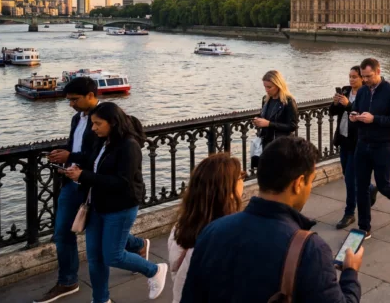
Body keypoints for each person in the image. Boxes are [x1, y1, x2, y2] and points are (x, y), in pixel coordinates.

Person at [181, 137, 362, 302]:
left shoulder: (212, 231)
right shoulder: (311, 250)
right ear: (298, 183)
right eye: (310, 181)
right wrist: (350, 273)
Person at [37, 78, 148, 303]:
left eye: (74, 100)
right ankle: (69, 281)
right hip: (74, 180)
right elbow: (77, 146)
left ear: (90, 95)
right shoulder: (77, 118)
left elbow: (98, 155)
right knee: (63, 232)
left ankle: (139, 253)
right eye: (69, 100)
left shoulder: (107, 120)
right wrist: (64, 154)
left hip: (93, 184)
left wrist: (72, 157)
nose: (71, 104)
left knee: (101, 246)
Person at [61, 103, 167, 302]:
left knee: (113, 255)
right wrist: (75, 166)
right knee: (94, 258)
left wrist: (83, 176)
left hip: (120, 207)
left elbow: (122, 182)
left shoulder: (129, 146)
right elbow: (93, 163)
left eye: (97, 124)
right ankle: (100, 300)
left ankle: (154, 270)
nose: (93, 128)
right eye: (92, 124)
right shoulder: (102, 141)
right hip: (96, 205)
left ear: (113, 122)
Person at [168, 154, 244, 303]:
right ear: (226, 190)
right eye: (240, 177)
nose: (242, 182)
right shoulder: (224, 238)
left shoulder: (182, 227)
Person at [352, 57, 390, 238]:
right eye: (363, 76)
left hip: (383, 145)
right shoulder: (362, 91)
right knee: (361, 186)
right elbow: (356, 108)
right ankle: (364, 227)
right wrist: (354, 116)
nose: (365, 80)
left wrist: (374, 119)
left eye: (368, 76)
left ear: (378, 72)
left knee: (383, 184)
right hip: (362, 143)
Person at [330, 66, 378, 229]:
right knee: (347, 174)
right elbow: (332, 112)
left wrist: (348, 104)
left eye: (354, 77)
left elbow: (362, 114)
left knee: (350, 180)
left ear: (362, 78)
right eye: (350, 76)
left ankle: (349, 213)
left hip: (357, 141)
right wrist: (335, 103)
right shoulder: (345, 90)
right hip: (343, 139)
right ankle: (369, 188)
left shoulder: (366, 94)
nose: (351, 80)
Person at [254, 70, 300, 151]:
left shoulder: (288, 101)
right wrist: (258, 120)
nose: (266, 90)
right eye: (265, 87)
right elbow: (265, 117)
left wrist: (269, 124)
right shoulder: (265, 99)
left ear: (279, 86)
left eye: (269, 87)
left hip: (282, 145)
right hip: (266, 143)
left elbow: (293, 126)